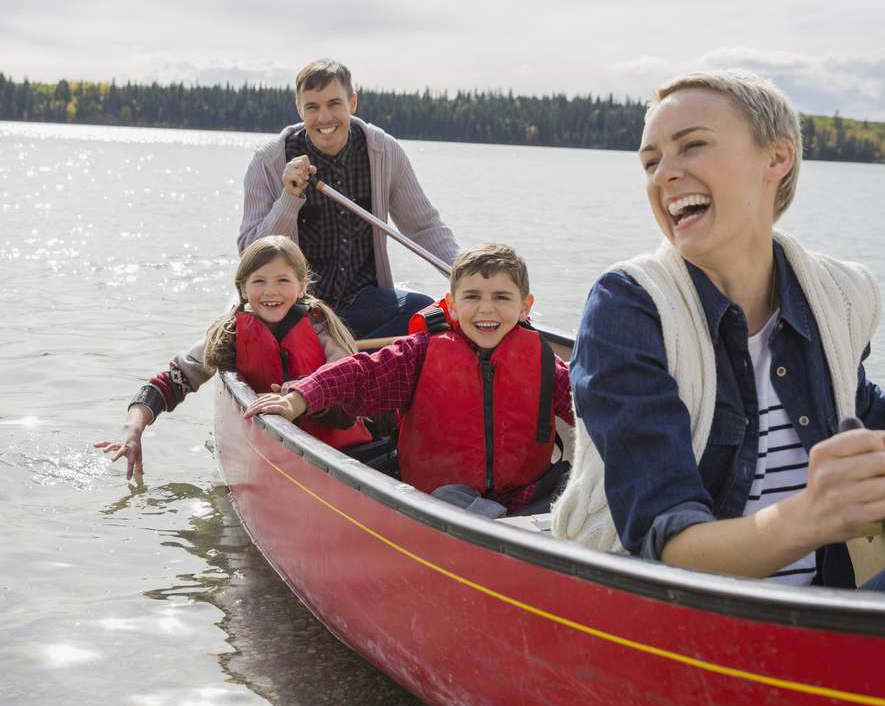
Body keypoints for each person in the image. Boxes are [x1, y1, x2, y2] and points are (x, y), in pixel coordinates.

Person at [551, 69, 885, 595]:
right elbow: (670, 542)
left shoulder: (833, 293)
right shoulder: (629, 307)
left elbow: (857, 401)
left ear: (776, 159)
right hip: (668, 620)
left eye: (691, 146)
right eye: (650, 161)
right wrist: (811, 516)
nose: (664, 174)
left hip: (810, 615)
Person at [244, 244, 573, 515]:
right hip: (441, 502)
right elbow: (357, 373)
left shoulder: (545, 363)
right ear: (453, 306)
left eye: (501, 298)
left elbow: (594, 406)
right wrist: (297, 397)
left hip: (527, 499)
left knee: (580, 486)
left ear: (525, 307)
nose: (486, 309)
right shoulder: (420, 353)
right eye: (472, 297)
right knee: (452, 498)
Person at [96, 235, 368, 478]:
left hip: (341, 453)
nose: (270, 291)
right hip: (279, 458)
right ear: (243, 288)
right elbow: (169, 382)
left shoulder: (321, 328)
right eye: (259, 281)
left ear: (301, 286)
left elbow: (344, 376)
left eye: (282, 280)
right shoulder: (230, 334)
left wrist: (298, 396)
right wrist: (133, 430)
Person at [239, 58, 459, 339]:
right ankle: (341, 356)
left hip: (364, 303)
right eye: (312, 107)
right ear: (299, 109)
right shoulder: (267, 161)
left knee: (427, 313)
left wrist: (465, 278)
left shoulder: (383, 152)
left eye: (334, 104)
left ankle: (344, 357)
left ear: (352, 103)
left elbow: (424, 227)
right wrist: (289, 199)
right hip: (298, 307)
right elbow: (249, 255)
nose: (324, 118)